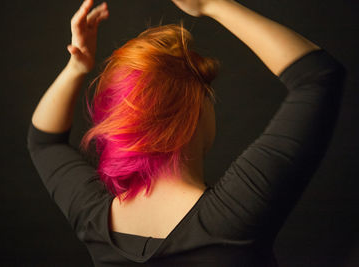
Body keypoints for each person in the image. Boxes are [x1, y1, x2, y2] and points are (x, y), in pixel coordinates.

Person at [27, 0, 347, 266]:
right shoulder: (235, 215)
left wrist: (76, 68)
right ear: (192, 113)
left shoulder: (94, 219)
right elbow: (317, 77)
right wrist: (213, 4)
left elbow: (44, 141)